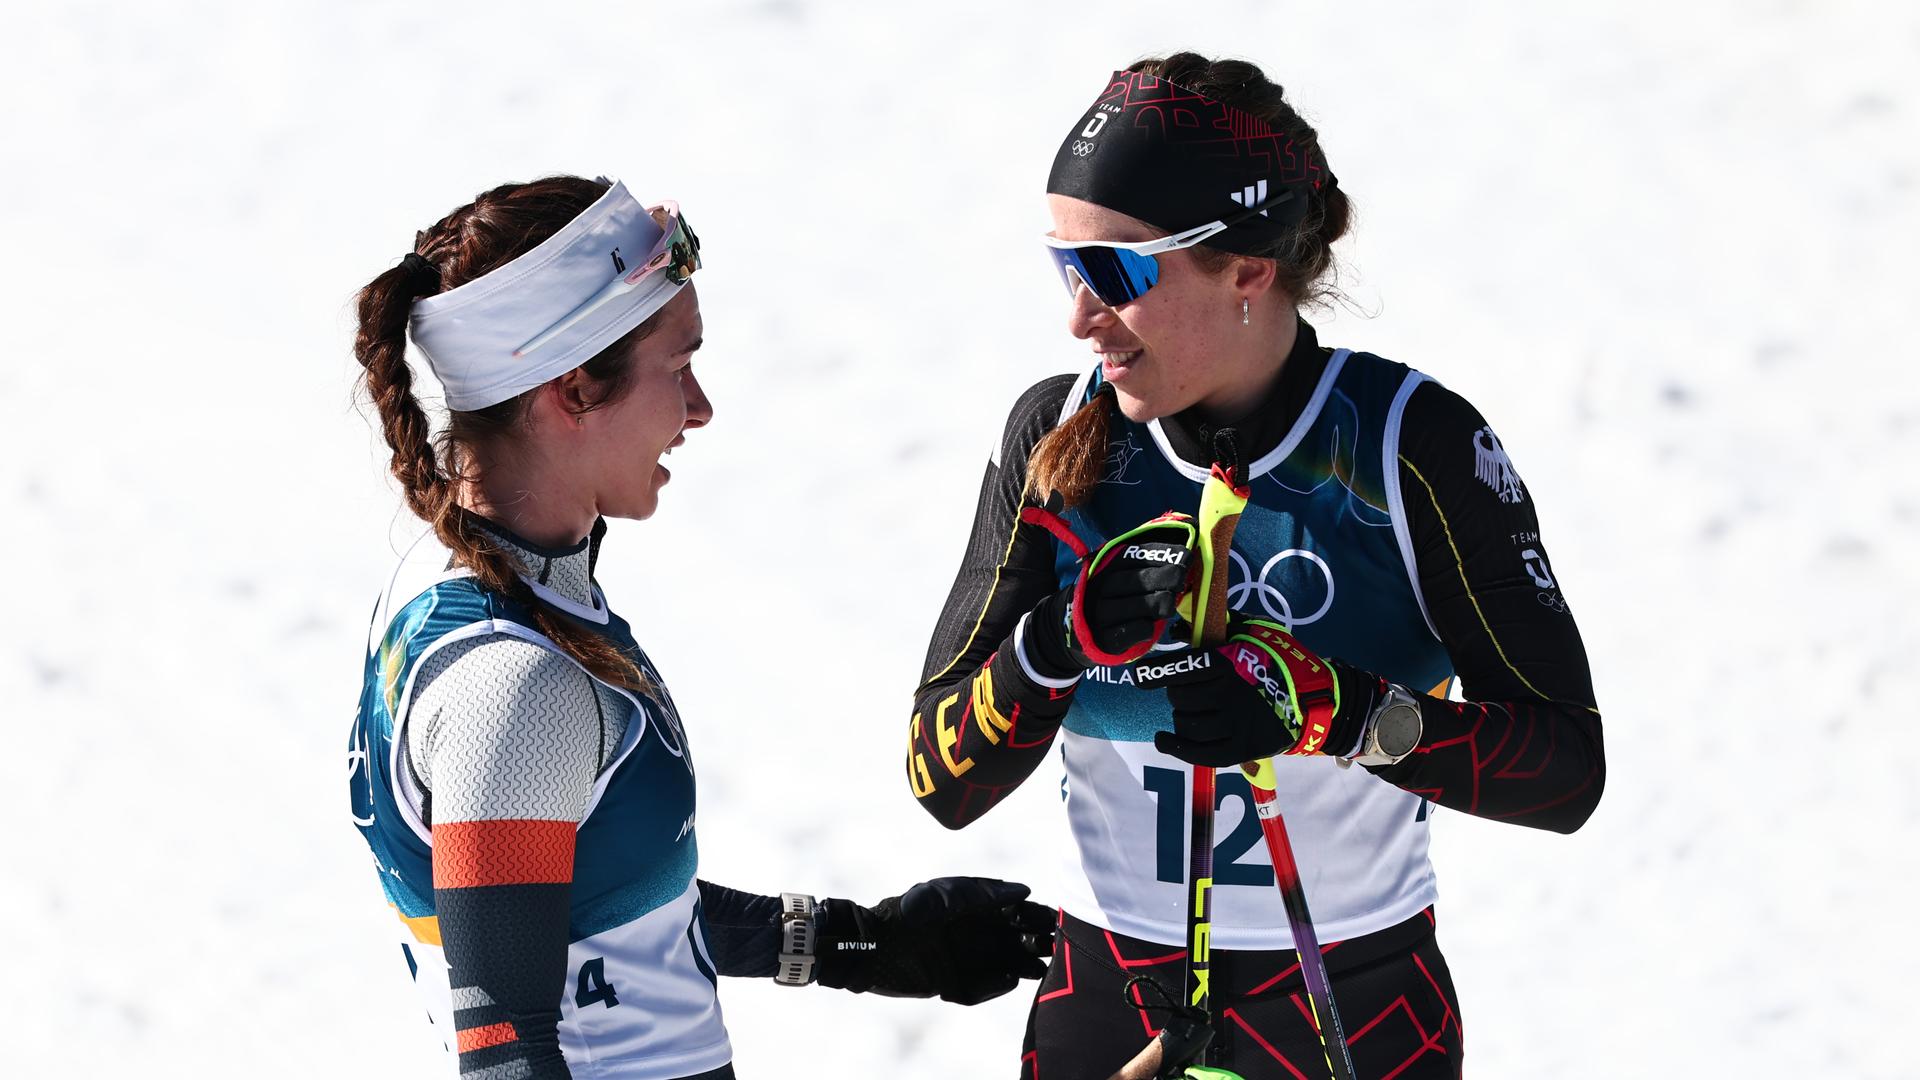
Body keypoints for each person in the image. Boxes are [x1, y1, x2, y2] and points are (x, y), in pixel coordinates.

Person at [907, 55, 1605, 1080]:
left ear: (1247, 269)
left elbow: (1563, 768)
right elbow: (938, 775)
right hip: (1108, 999)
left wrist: (1330, 710)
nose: (1076, 314)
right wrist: (1054, 647)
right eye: (1064, 266)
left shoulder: (1408, 447)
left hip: (1351, 1010)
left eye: (1115, 273)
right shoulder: (1057, 433)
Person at [344, 175, 1054, 1080]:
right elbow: (506, 1046)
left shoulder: (458, 583)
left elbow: (600, 914)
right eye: (678, 369)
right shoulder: (510, 682)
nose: (700, 407)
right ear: (571, 390)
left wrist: (858, 943)